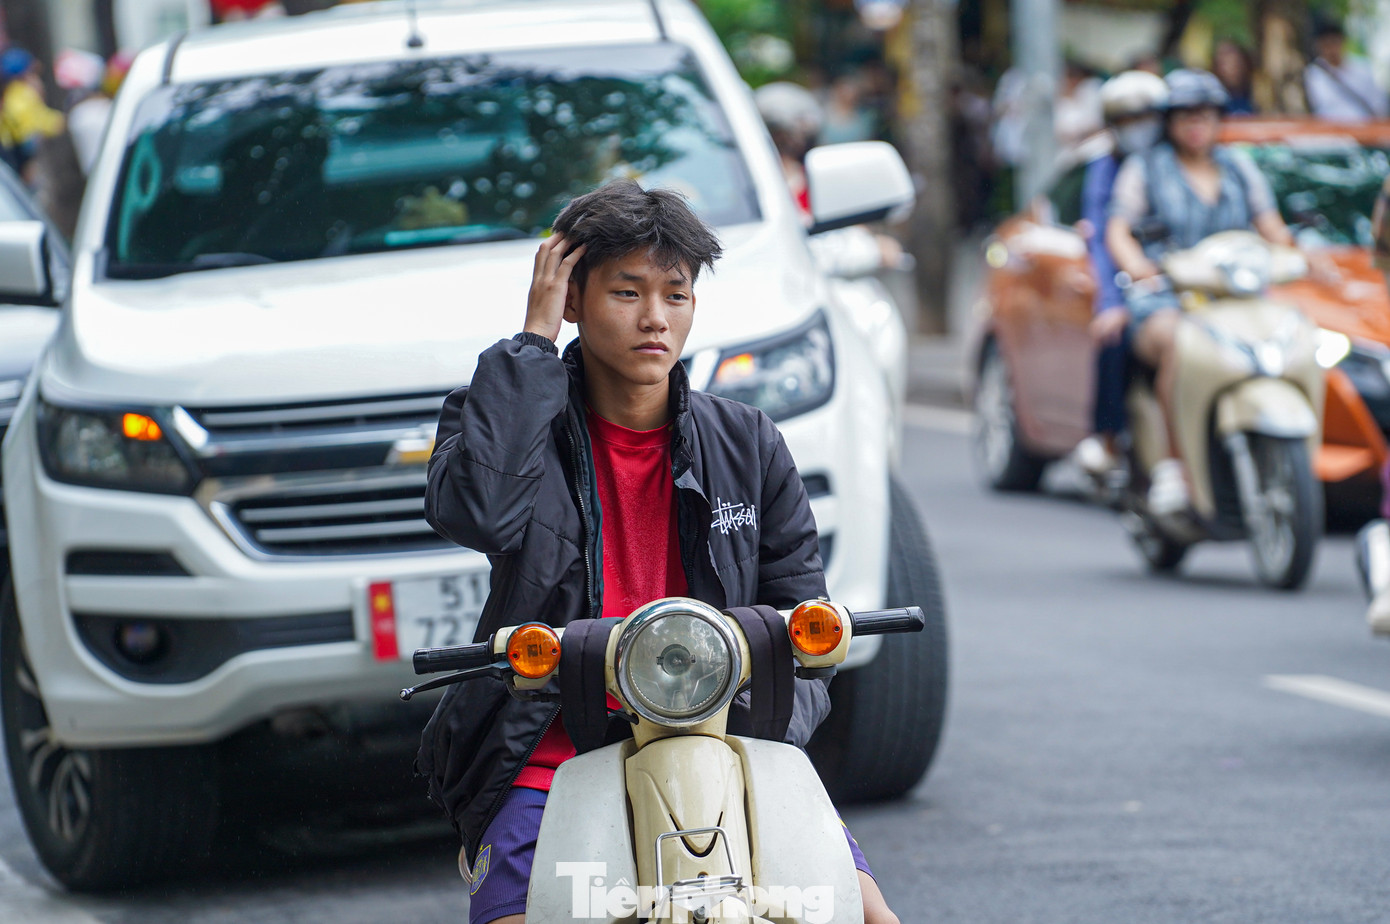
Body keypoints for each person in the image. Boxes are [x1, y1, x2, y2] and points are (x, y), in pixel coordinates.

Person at [417, 180, 900, 924]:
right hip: (550, 747)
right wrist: (533, 342)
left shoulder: (747, 440)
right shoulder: (507, 413)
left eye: (676, 295)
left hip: (725, 740)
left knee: (868, 915)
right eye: (626, 292)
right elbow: (480, 512)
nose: (655, 318)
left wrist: (759, 739)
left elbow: (802, 615)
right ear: (572, 298)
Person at [1105, 69, 1301, 515]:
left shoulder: (1238, 166)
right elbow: (1118, 230)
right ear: (1170, 122)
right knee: (1181, 344)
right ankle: (1174, 466)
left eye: (1206, 115)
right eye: (1186, 116)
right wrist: (1138, 266)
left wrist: (1296, 257)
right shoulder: (1145, 167)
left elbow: (1272, 228)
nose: (1197, 124)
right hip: (1167, 297)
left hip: (1233, 300)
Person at [1074, 70, 1169, 478]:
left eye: (1145, 117)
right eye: (1128, 120)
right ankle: (1109, 438)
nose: (1138, 128)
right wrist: (1112, 301)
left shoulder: (1179, 161)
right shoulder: (1106, 167)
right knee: (1115, 337)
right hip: (1134, 281)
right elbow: (1103, 237)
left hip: (1182, 278)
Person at [1304, 18, 1388, 121]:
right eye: (1326, 44)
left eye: (1333, 42)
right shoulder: (1313, 75)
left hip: (1364, 127)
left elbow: (1378, 103)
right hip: (1329, 128)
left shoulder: (1363, 68)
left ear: (1342, 41)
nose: (1331, 49)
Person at [0, 48, 65, 179]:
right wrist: (64, 121)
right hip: (26, 163)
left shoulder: (14, 95)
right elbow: (36, 126)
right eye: (33, 73)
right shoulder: (19, 95)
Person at [1212, 39, 1256, 116]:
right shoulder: (1213, 98)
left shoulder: (1257, 93)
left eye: (1236, 64)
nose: (1229, 70)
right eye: (1223, 64)